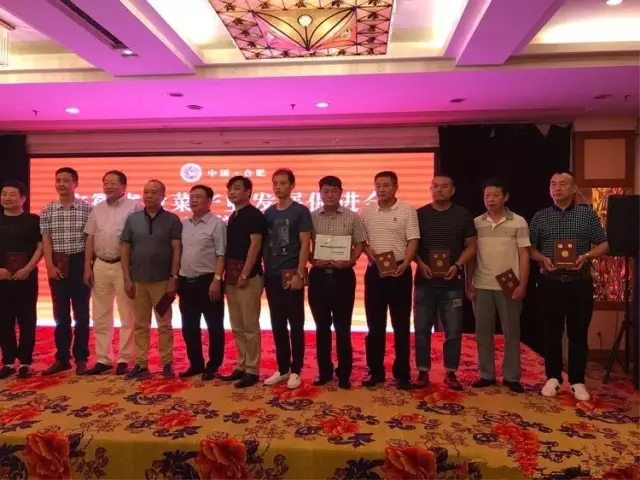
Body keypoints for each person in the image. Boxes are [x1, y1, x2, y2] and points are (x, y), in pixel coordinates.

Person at [529, 171, 608, 401]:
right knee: (551, 332)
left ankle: (577, 381)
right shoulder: (540, 216)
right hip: (550, 283)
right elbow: (530, 248)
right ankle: (553, 378)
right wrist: (542, 258)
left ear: (574, 189)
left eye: (563, 184)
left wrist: (587, 256)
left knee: (578, 333)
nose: (557, 188)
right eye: (553, 184)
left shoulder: (587, 214)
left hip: (579, 283)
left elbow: (604, 244)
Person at [413, 174, 476, 391]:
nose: (439, 190)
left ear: (453, 190)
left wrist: (457, 265)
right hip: (424, 282)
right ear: (430, 189)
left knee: (454, 330)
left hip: (452, 283)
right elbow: (411, 245)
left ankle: (451, 372)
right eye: (435, 186)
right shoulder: (419, 214)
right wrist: (421, 264)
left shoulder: (463, 215)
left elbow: (471, 246)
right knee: (421, 329)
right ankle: (423, 371)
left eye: (444, 186)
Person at [467, 178, 529, 393]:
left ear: (506, 197)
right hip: (482, 284)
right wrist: (469, 282)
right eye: (487, 196)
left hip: (509, 285)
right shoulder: (477, 222)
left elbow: (524, 254)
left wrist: (523, 284)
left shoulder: (518, 222)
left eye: (495, 195)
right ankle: (486, 374)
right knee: (482, 332)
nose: (490, 199)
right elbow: (471, 255)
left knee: (511, 331)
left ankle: (511, 377)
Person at [361, 171, 419, 391]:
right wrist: (369, 255)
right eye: (378, 185)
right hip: (375, 272)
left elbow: (413, 240)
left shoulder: (407, 210)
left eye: (386, 185)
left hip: (399, 271)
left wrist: (407, 263)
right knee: (374, 325)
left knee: (401, 325)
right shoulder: (366, 211)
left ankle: (402, 374)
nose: (381, 189)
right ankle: (375, 371)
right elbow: (362, 241)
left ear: (395, 187)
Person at [120, 180, 182, 380]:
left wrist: (173, 277)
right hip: (138, 281)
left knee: (164, 324)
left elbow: (177, 249)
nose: (149, 196)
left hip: (162, 282)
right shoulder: (133, 219)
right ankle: (141, 364)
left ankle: (166, 363)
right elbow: (125, 248)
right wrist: (127, 278)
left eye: (154, 192)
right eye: (146, 192)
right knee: (140, 325)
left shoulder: (172, 219)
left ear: (163, 196)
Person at [309, 176, 366, 390]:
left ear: (341, 193)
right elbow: (304, 244)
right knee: (321, 327)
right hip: (319, 276)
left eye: (333, 191)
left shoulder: (352, 217)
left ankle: (344, 373)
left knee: (343, 327)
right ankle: (324, 371)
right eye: (325, 191)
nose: (330, 195)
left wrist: (350, 261)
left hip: (343, 277)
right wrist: (312, 259)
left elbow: (360, 243)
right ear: (320, 193)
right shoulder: (312, 217)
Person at [84, 170, 141, 376]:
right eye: (105, 183)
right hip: (100, 264)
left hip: (123, 267)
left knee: (127, 314)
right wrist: (87, 266)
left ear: (123, 187)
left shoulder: (134, 207)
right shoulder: (97, 208)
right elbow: (90, 237)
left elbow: (139, 238)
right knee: (100, 314)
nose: (108, 186)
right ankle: (103, 358)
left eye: (113, 183)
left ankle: (125, 358)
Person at [263, 168, 312, 390]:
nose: (278, 187)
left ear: (292, 186)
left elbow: (305, 244)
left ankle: (296, 370)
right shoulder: (268, 213)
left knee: (296, 323)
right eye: (275, 183)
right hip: (272, 276)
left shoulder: (300, 211)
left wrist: (300, 273)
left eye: (283, 183)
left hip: (292, 275)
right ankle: (282, 368)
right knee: (277, 324)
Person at [40, 167, 92, 376]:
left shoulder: (87, 209)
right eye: (58, 180)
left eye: (66, 180)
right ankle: (62, 358)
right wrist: (49, 265)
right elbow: (46, 240)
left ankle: (81, 357)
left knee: (82, 314)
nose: (61, 184)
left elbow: (89, 240)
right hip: (58, 262)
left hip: (79, 261)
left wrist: (87, 266)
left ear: (75, 184)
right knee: (60, 315)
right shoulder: (48, 209)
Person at [221, 176, 267, 388]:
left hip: (248, 277)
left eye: (237, 188)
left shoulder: (254, 215)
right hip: (231, 277)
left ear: (248, 192)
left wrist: (245, 274)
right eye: (230, 189)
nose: (232, 192)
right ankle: (241, 365)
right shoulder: (233, 216)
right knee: (237, 325)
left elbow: (255, 246)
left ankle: (252, 370)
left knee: (249, 325)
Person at [178, 184, 226, 381]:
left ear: (209, 201)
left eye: (198, 196)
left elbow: (221, 255)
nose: (193, 200)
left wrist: (217, 280)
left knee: (214, 326)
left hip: (208, 281)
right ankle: (196, 363)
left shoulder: (217, 224)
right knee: (189, 326)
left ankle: (213, 365)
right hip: (186, 282)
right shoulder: (185, 224)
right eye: (191, 197)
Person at [0, 180, 42, 379]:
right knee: (3, 319)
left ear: (23, 198)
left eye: (12, 194)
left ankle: (25, 361)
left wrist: (28, 268)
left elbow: (40, 247)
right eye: (4, 194)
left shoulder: (33, 220)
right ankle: (8, 361)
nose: (7, 198)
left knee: (27, 319)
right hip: (2, 278)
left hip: (26, 277)